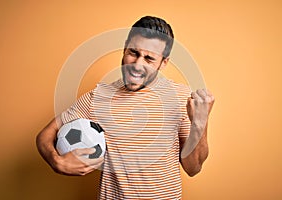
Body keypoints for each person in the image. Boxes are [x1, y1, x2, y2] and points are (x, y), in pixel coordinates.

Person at [36, 16, 215, 199]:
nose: (137, 65)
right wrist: (56, 161)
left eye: (149, 59)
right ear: (124, 49)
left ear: (164, 63)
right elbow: (45, 134)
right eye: (133, 53)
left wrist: (200, 123)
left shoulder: (181, 97)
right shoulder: (98, 96)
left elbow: (193, 168)